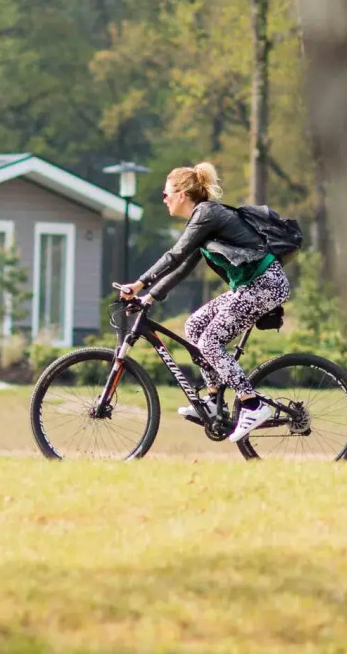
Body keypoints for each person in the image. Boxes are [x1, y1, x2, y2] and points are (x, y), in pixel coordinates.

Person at [117, 162, 289, 443]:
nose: (164, 199)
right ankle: (213, 400)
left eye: (166, 194)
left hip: (264, 284)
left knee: (210, 341)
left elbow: (175, 254)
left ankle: (252, 404)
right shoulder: (203, 221)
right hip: (249, 286)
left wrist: (139, 282)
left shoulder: (206, 214)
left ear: (182, 194)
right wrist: (148, 298)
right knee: (195, 326)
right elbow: (182, 268)